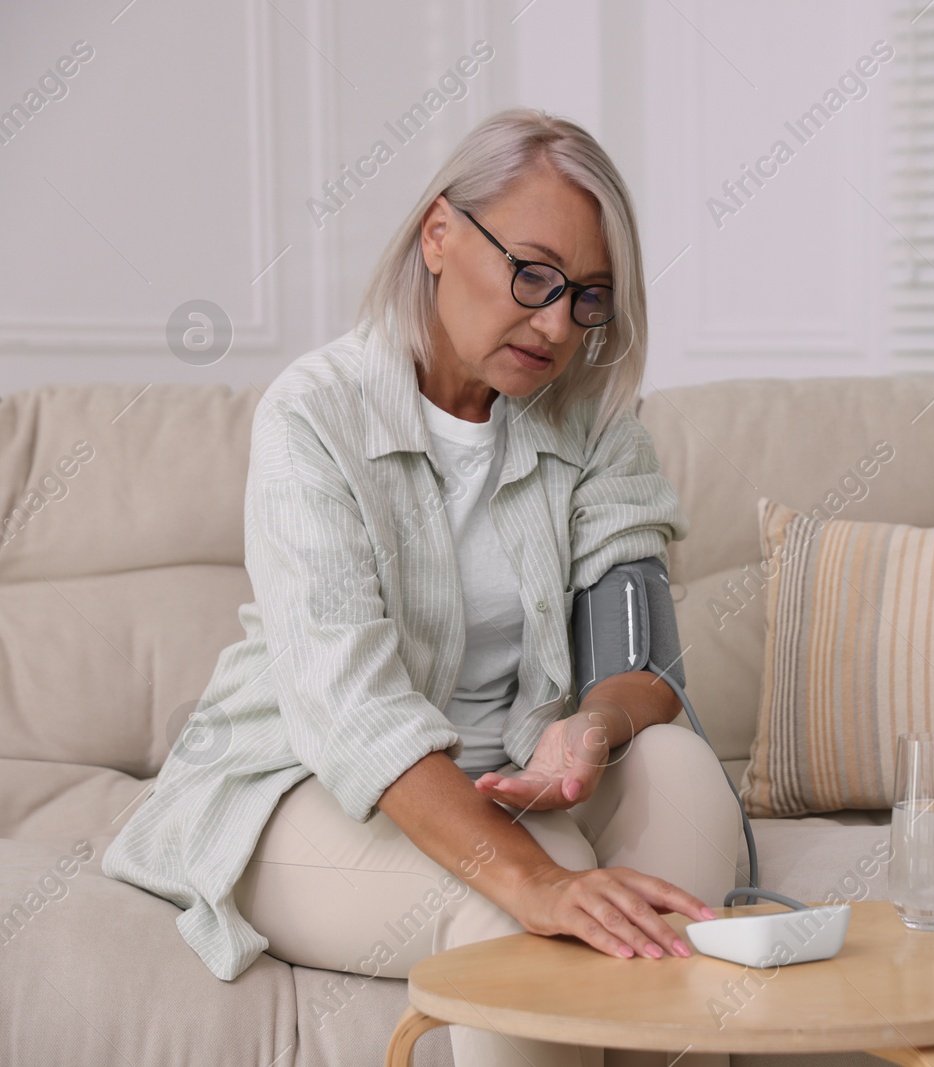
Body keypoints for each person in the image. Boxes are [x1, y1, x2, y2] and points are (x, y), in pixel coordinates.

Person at [101, 108, 743, 1067]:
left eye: (589, 297)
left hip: (517, 778)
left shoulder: (599, 426)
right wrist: (534, 881)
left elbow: (644, 664)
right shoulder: (315, 414)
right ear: (439, 234)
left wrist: (592, 728)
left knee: (686, 772)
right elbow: (354, 714)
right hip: (310, 788)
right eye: (532, 273)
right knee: (545, 894)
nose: (557, 322)